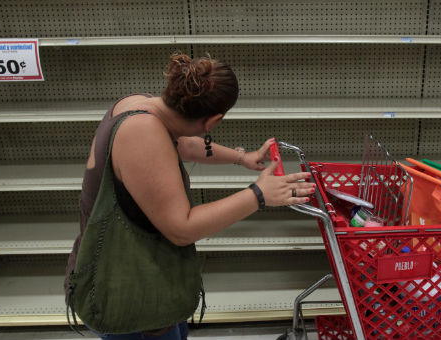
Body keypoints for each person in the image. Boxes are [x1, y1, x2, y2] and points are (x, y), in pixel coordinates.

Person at [64, 53, 315, 339]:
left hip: (144, 281)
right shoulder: (142, 132)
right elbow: (181, 229)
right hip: (128, 299)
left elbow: (186, 144)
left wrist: (243, 158)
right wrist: (258, 195)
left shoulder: (143, 106)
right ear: (214, 120)